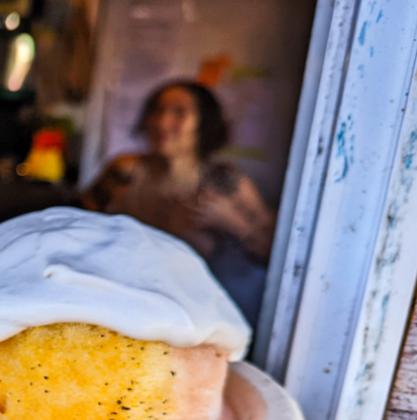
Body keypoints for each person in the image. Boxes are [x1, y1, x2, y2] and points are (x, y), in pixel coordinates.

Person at [82, 80, 275, 322]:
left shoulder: (225, 182)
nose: (162, 122)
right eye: (156, 110)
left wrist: (232, 222)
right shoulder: (124, 171)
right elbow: (79, 224)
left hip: (193, 314)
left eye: (179, 113)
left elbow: (274, 253)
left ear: (204, 123)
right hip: (123, 302)